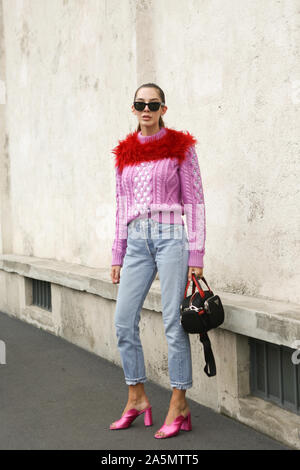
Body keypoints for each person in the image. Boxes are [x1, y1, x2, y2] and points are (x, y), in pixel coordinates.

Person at [109, 83, 206, 439]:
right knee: (123, 322)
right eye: (140, 103)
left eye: (153, 104)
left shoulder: (181, 148)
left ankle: (179, 402)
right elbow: (121, 207)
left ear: (164, 108)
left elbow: (194, 201)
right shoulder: (125, 153)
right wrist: (117, 253)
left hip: (171, 240)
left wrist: (196, 252)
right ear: (133, 109)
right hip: (135, 242)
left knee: (172, 324)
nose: (146, 109)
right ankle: (136, 397)